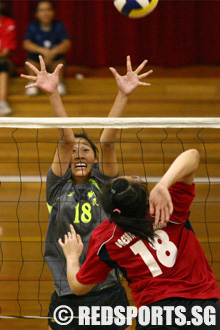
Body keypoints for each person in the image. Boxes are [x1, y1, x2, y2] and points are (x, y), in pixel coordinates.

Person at [21, 55, 153, 330]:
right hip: (66, 294)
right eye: (75, 152)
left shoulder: (105, 185)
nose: (79, 154)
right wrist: (53, 93)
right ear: (66, 159)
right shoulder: (57, 186)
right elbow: (66, 139)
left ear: (94, 159)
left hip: (107, 293)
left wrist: (122, 95)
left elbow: (107, 141)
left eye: (86, 150)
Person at [58, 149, 220, 330]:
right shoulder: (168, 206)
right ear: (142, 196)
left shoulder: (106, 238)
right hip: (203, 309)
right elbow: (193, 155)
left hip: (156, 316)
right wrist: (163, 185)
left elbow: (79, 286)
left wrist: (72, 256)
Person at [23, 0, 71, 96]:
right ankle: (32, 84)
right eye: (41, 10)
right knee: (31, 62)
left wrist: (53, 52)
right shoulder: (32, 27)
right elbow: (26, 43)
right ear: (36, 14)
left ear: (53, 12)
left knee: (59, 62)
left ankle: (59, 83)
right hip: (38, 58)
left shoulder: (59, 26)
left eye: (48, 10)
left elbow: (67, 43)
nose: (45, 13)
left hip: (54, 59)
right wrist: (43, 51)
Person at [0, 0, 17, 116]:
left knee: (2, 63)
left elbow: (5, 52)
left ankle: (2, 102)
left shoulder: (8, 23)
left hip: (4, 61)